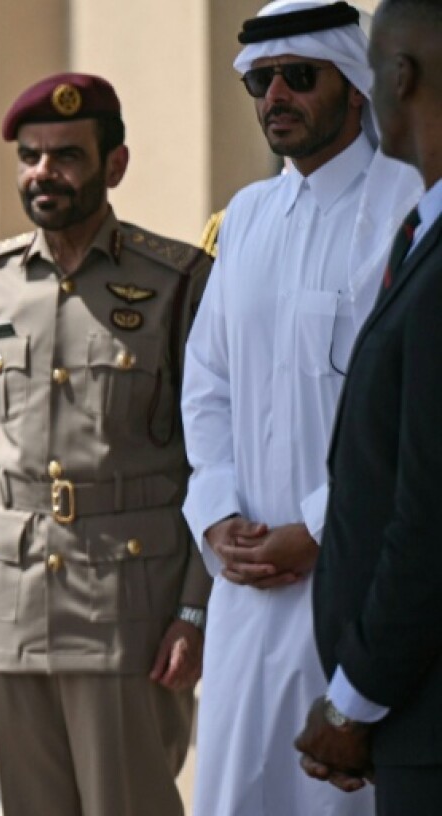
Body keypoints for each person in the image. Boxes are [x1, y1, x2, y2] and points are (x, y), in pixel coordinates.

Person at [0, 72, 211, 816]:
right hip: (6, 603)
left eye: (66, 156)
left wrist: (195, 610)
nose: (43, 173)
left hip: (128, 608)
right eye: (30, 156)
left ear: (114, 165)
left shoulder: (177, 281)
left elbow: (215, 463)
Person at [180, 2, 423, 814]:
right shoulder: (247, 215)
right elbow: (207, 384)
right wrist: (219, 514)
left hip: (352, 589)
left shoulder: (406, 206)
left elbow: (404, 417)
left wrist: (319, 530)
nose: (276, 95)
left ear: (354, 85)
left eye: (298, 76)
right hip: (246, 590)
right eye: (260, 81)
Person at [295, 0, 442, 812]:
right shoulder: (422, 231)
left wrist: (354, 701)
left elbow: (427, 515)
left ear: (401, 76)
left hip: (425, 717)